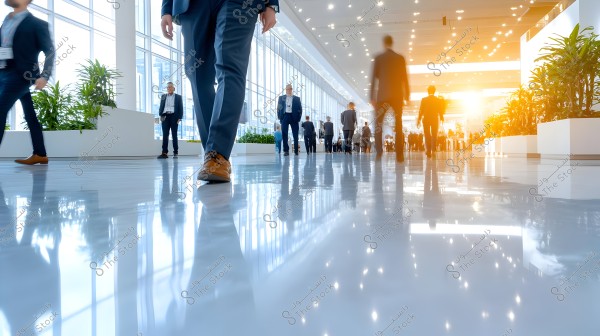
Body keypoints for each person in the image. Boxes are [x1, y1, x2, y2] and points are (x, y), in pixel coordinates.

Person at [161, 0, 278, 182]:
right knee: (197, 75)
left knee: (230, 67)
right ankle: (214, 155)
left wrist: (272, 4)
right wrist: (166, 8)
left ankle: (217, 156)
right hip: (193, 5)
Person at [0, 0, 54, 165]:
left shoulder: (37, 24)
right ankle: (40, 153)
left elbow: (50, 51)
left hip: (21, 76)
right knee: (30, 115)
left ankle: (40, 153)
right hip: (3, 72)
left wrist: (44, 76)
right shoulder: (6, 21)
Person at [370, 35, 410, 163]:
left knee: (378, 124)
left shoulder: (379, 58)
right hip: (397, 96)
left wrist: (372, 97)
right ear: (392, 43)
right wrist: (407, 95)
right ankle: (399, 155)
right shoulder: (400, 58)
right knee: (398, 124)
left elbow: (373, 79)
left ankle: (379, 152)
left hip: (382, 96)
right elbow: (405, 78)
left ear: (384, 44)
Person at [417, 85, 445, 158]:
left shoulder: (424, 99)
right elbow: (440, 110)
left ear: (428, 91)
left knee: (427, 135)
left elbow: (421, 110)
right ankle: (433, 150)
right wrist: (442, 118)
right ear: (434, 91)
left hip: (426, 119)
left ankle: (428, 151)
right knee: (434, 134)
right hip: (434, 119)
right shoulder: (437, 100)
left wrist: (419, 119)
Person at [157, 82, 183, 159]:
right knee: (165, 135)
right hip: (165, 116)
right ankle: (164, 152)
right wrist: (160, 114)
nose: (169, 88)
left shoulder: (178, 97)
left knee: (174, 135)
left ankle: (175, 152)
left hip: (174, 116)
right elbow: (161, 106)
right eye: (168, 87)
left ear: (173, 88)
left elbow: (181, 108)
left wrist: (179, 118)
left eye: (170, 87)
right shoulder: (163, 96)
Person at [277, 84, 302, 156]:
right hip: (285, 116)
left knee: (295, 134)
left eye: (290, 89)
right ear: (285, 90)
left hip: (294, 117)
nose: (288, 90)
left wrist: (298, 118)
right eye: (287, 89)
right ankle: (286, 150)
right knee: (284, 134)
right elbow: (278, 108)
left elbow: (300, 109)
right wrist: (280, 117)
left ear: (292, 89)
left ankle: (296, 150)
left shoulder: (297, 99)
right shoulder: (281, 98)